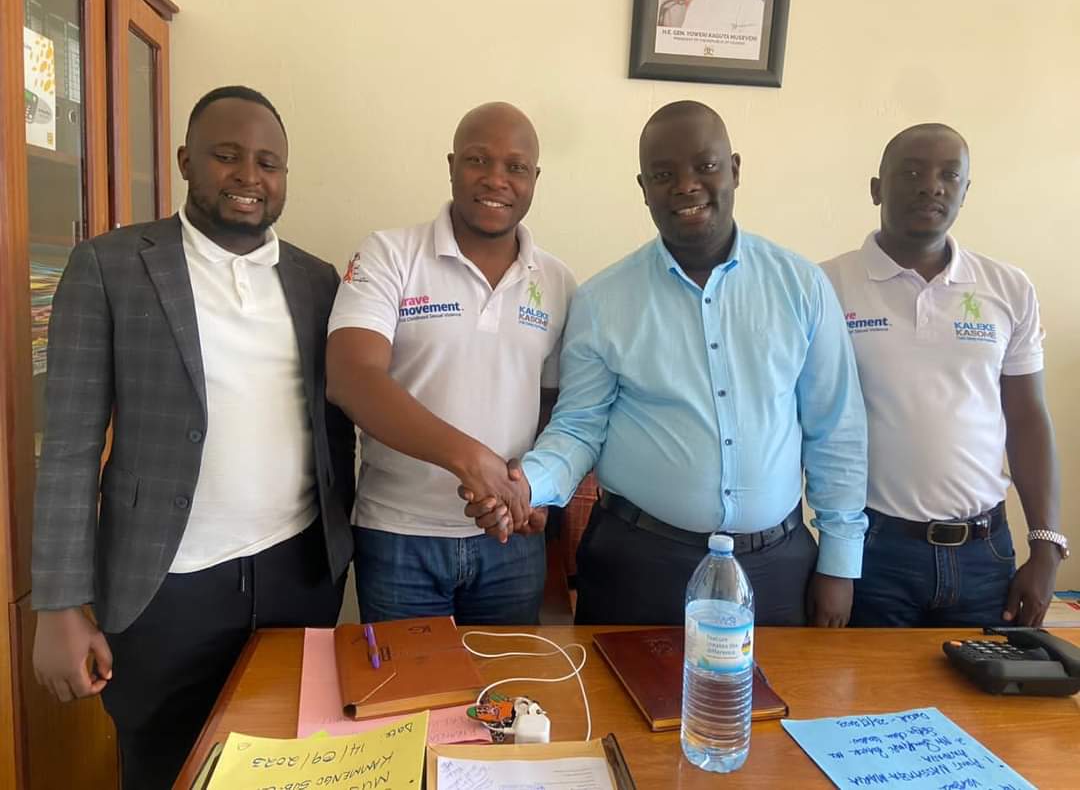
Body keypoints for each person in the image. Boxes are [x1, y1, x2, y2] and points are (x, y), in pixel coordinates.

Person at [31, 86, 355, 789]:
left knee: (291, 765)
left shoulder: (316, 280)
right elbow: (68, 445)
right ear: (185, 161)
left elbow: (337, 427)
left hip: (296, 576)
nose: (249, 176)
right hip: (164, 587)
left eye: (269, 163)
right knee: (166, 766)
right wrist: (58, 604)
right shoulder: (110, 266)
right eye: (227, 156)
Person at [465, 100, 868, 627]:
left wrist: (839, 563)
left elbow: (836, 430)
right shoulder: (604, 299)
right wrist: (525, 486)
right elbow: (579, 429)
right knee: (624, 709)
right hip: (639, 566)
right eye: (663, 174)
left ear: (735, 170)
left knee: (771, 710)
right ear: (644, 188)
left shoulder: (800, 286)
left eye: (706, 166)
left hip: (776, 567)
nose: (686, 185)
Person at [326, 102, 575, 625]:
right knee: (408, 706)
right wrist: (469, 460)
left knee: (508, 700)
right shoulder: (389, 254)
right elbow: (351, 377)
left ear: (535, 179)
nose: (496, 179)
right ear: (451, 165)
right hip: (399, 538)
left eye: (516, 167)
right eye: (477, 160)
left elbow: (557, 406)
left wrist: (537, 488)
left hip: (509, 538)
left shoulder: (557, 281)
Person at [822, 123, 1067, 628]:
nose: (931, 186)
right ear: (876, 188)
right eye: (910, 172)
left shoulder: (1008, 288)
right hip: (873, 553)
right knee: (867, 703)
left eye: (948, 176)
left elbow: (1027, 418)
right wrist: (832, 561)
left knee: (982, 705)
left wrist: (1046, 547)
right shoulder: (825, 285)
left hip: (985, 555)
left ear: (965, 192)